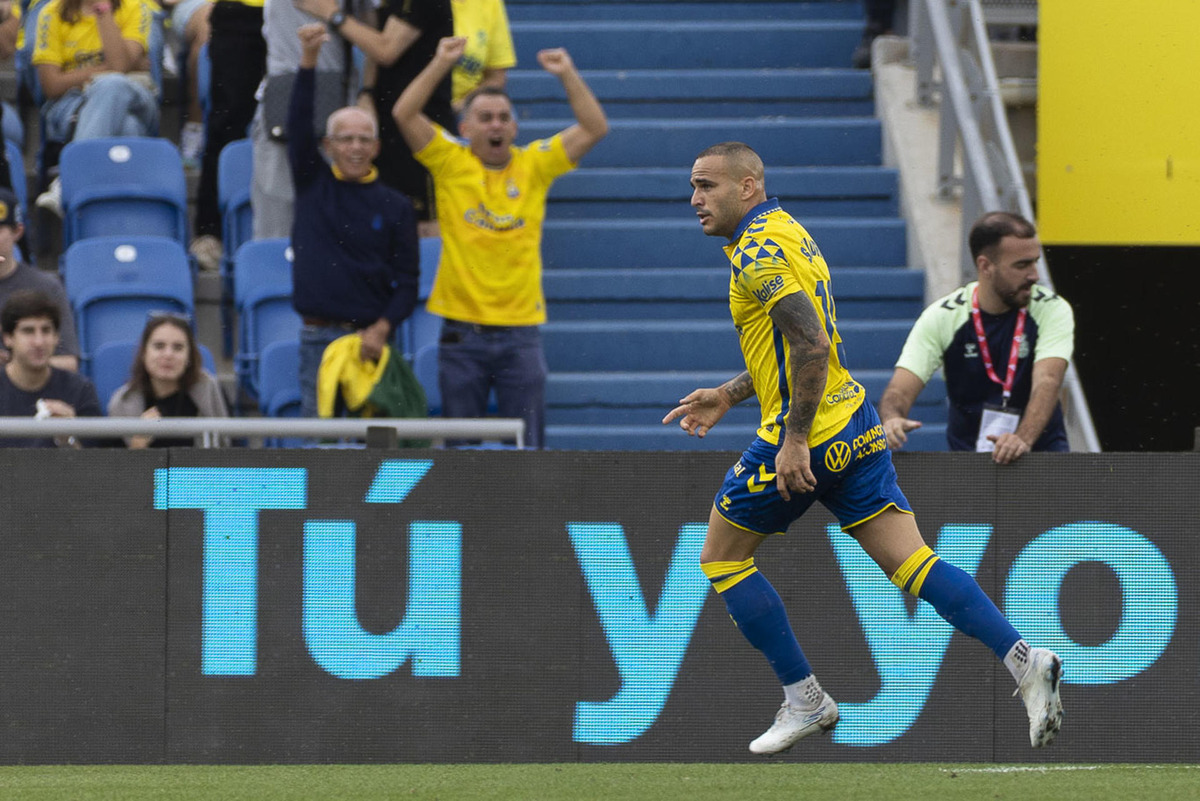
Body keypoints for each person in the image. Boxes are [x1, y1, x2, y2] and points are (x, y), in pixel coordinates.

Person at [665, 142, 1063, 755]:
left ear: (747, 187)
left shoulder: (755, 253)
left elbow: (811, 347)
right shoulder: (788, 231)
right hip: (856, 421)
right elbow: (799, 341)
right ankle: (1023, 660)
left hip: (809, 434)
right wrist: (728, 392)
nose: (695, 200)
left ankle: (806, 699)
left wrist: (793, 439)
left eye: (706, 186)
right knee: (914, 564)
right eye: (692, 188)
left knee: (722, 559)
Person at [393, 35, 607, 449]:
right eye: (485, 117)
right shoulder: (449, 162)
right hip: (461, 331)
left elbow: (595, 127)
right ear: (465, 128)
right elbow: (403, 112)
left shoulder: (535, 164)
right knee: (461, 451)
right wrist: (440, 62)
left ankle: (528, 515)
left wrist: (566, 74)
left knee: (529, 449)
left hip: (520, 332)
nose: (495, 125)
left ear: (514, 127)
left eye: (503, 117)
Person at [289, 24, 419, 419]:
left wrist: (382, 328)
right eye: (345, 139)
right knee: (318, 449)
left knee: (378, 452)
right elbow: (297, 126)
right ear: (328, 147)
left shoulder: (396, 205)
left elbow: (408, 281)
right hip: (318, 340)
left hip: (372, 342)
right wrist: (308, 61)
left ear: (377, 147)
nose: (356, 147)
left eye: (364, 139)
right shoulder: (312, 184)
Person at [878, 211, 1074, 464]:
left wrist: (1022, 439)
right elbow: (899, 389)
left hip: (1040, 454)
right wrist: (892, 417)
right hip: (970, 462)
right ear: (985, 266)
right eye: (1022, 265)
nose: (1034, 275)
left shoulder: (1053, 308)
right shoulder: (943, 316)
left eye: (1035, 261)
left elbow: (1048, 381)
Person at [292, 0, 452, 231]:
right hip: (386, 126)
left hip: (420, 126)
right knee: (385, 219)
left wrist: (332, 13)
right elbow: (374, 44)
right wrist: (367, 90)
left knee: (422, 226)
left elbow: (386, 49)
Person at [249, 0, 368, 240]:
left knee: (340, 228)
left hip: (342, 104)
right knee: (276, 228)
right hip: (284, 102)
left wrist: (369, 91)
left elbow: (374, 32)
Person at [32, 0, 159, 215]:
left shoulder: (136, 7)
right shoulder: (51, 12)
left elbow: (118, 67)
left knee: (113, 85)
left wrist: (103, 10)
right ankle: (126, 220)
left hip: (135, 97)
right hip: (72, 103)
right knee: (128, 127)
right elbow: (51, 85)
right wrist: (105, 70)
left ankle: (70, 179)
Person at [188, 0, 267, 271]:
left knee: (300, 124)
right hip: (240, 11)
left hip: (301, 11)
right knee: (227, 123)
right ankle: (209, 232)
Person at [106, 312, 229, 447]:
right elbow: (111, 466)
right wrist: (137, 445)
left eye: (178, 348)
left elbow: (234, 454)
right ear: (144, 353)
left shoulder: (211, 391)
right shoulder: (123, 402)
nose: (168, 355)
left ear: (189, 356)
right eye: (159, 346)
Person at [0, 289, 100, 448]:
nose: (39, 342)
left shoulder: (81, 390)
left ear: (56, 337)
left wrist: (69, 438)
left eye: (46, 330)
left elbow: (97, 467)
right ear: (8, 338)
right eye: (28, 331)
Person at [0, 189, 80, 371]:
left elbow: (69, 363)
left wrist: (15, 364)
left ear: (17, 231)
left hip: (30, 393)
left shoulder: (44, 287)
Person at [450, 0, 514, 109]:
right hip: (419, 106)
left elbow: (495, 77)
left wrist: (460, 107)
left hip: (465, 107)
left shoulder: (490, 3)